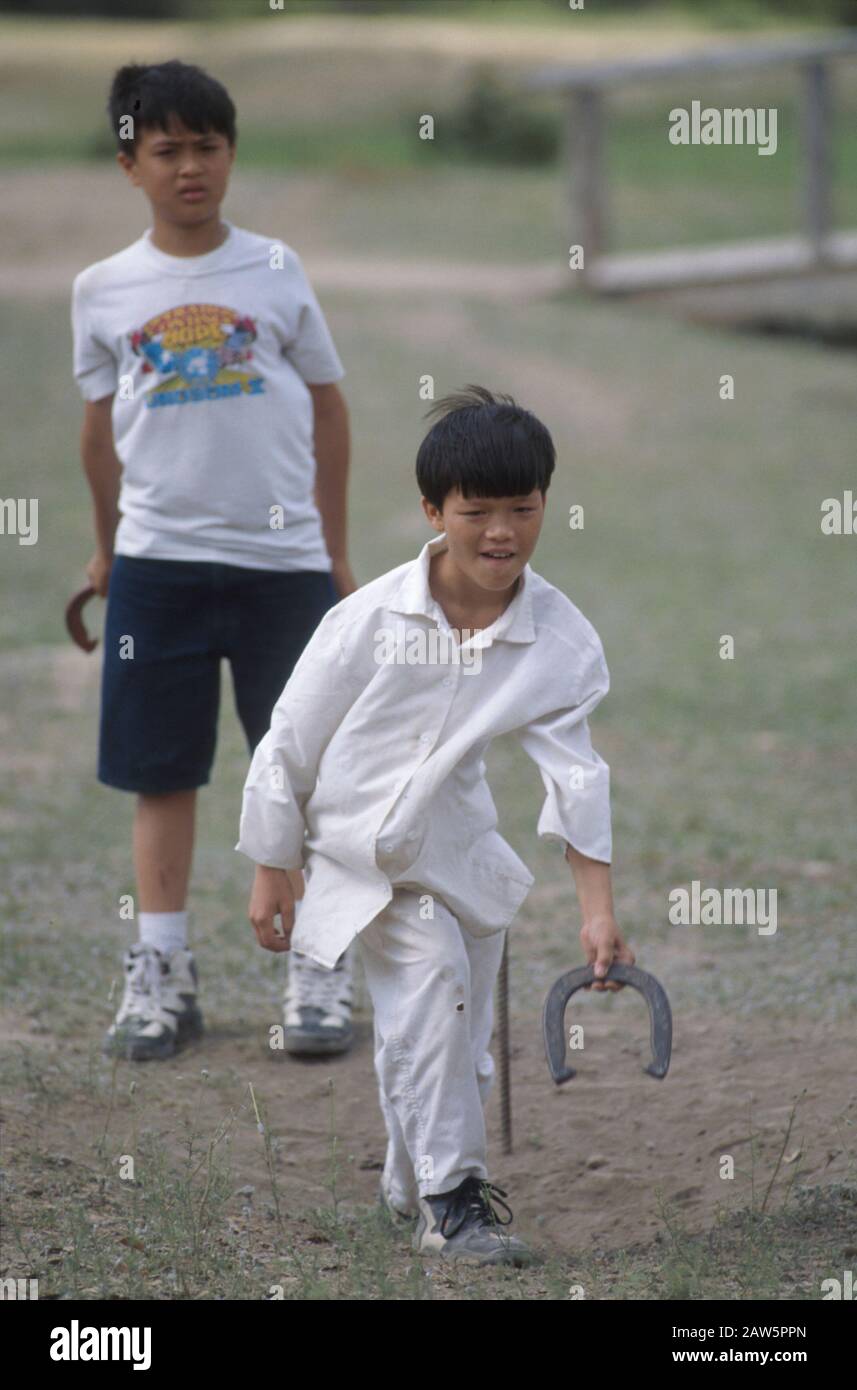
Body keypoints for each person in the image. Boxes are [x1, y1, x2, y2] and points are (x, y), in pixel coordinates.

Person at [236, 385, 636, 1265]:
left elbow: (574, 775)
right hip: (361, 853)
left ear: (545, 505)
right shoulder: (368, 620)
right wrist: (273, 861)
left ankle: (403, 1179)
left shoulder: (559, 641)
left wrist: (597, 910)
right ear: (432, 511)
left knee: (449, 1031)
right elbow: (289, 739)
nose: (500, 532)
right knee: (434, 982)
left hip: (458, 851)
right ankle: (453, 1206)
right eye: (475, 512)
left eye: (522, 510)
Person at [71, 59, 358, 1062]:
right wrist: (108, 553)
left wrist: (334, 551)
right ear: (129, 163)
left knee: (303, 769)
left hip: (283, 566)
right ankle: (161, 974)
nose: (189, 166)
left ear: (230, 154)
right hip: (158, 567)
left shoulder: (274, 269)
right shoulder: (103, 289)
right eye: (166, 149)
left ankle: (318, 968)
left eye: (207, 145)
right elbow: (98, 432)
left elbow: (327, 405)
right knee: (162, 773)